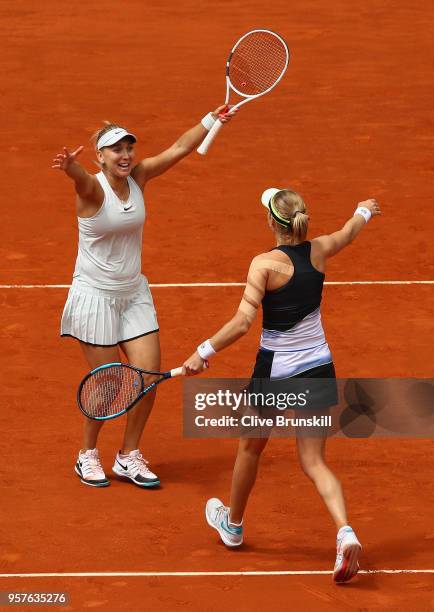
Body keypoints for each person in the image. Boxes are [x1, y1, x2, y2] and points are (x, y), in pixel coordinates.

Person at [183, 188, 381, 583]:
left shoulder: (264, 265)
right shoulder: (321, 249)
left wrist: (202, 351)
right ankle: (345, 532)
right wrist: (364, 210)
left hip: (274, 372)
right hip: (319, 368)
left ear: (272, 222)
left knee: (250, 447)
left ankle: (233, 525)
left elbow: (242, 323)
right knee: (314, 462)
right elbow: (349, 231)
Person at [53, 106, 235, 489]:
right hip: (95, 298)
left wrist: (210, 118)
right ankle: (87, 453)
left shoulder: (139, 176)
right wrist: (70, 167)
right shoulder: (91, 188)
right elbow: (80, 180)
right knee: (107, 385)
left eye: (128, 148)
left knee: (147, 379)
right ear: (100, 156)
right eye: (115, 150)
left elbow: (179, 148)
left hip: (133, 294)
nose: (125, 155)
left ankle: (127, 456)